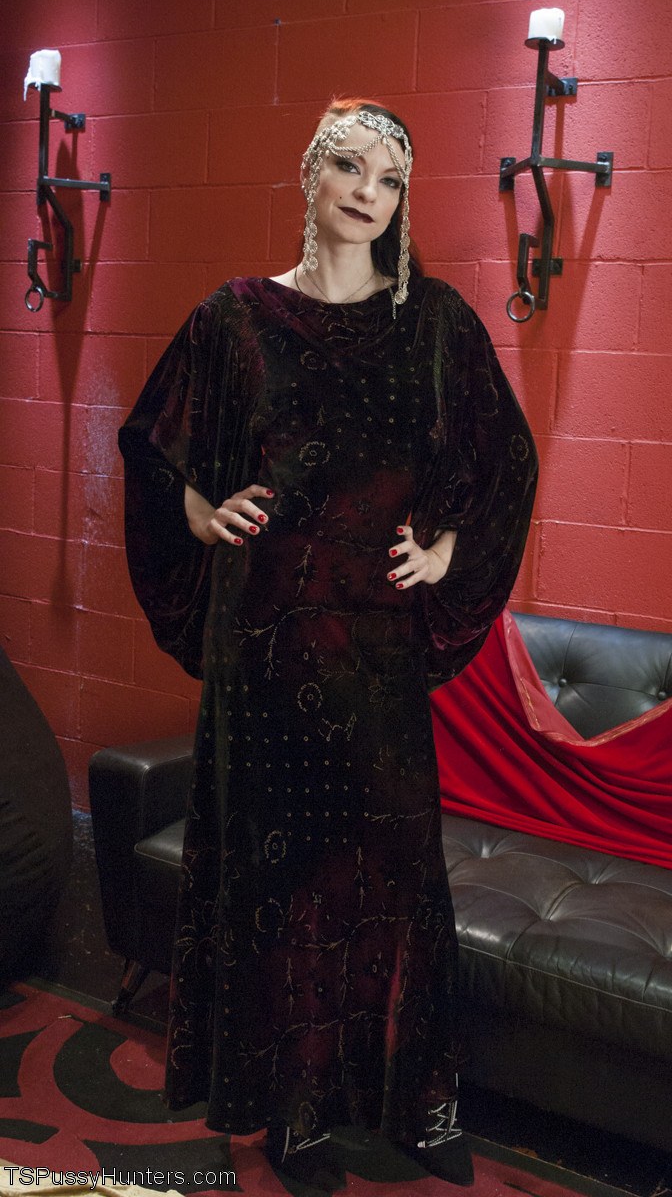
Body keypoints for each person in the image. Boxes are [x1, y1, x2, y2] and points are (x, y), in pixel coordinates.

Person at [119, 97, 537, 1194]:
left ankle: (418, 1098)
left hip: (373, 650)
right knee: (285, 881)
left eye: (389, 179)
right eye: (348, 168)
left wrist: (444, 551)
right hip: (262, 647)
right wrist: (202, 511)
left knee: (398, 873)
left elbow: (506, 458)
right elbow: (153, 445)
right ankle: (293, 1113)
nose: (367, 193)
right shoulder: (234, 318)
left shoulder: (434, 321)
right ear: (309, 176)